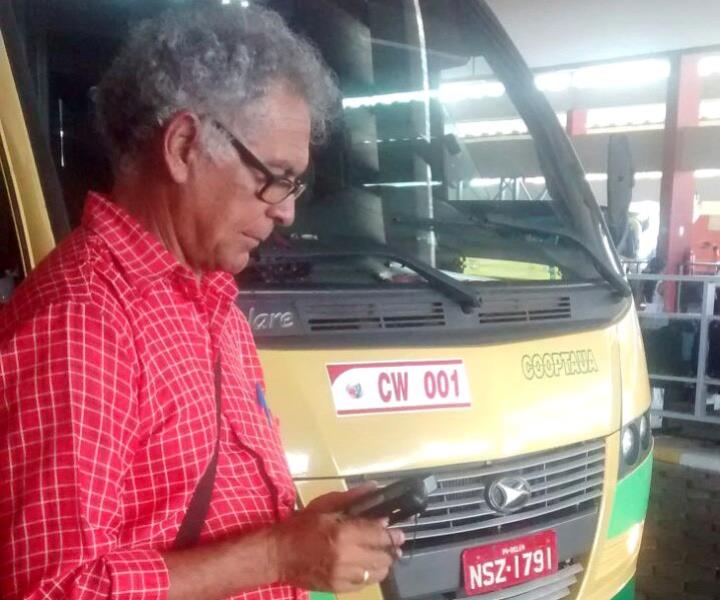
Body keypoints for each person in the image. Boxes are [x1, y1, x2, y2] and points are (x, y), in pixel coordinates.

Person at [0, 5, 403, 599]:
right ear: (185, 145)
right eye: (275, 176)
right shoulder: (81, 321)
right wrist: (278, 553)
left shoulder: (214, 306)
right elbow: (52, 588)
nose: (287, 211)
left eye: (296, 183)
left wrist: (303, 533)